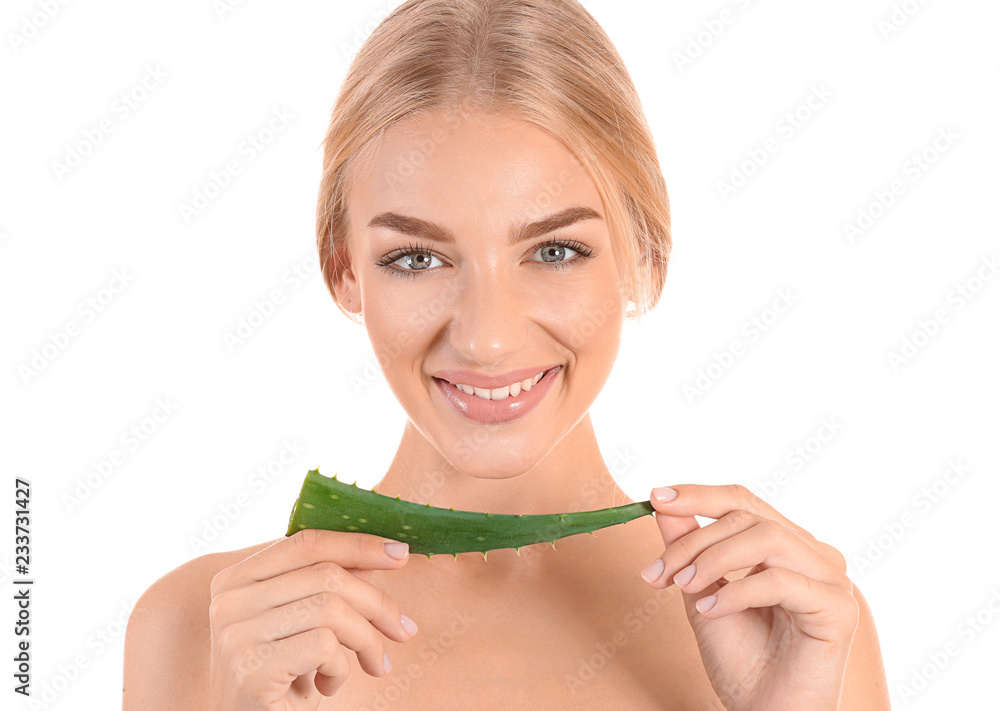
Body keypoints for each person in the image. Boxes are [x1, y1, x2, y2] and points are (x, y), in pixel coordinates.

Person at [123, 0, 890, 708]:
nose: (487, 337)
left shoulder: (791, 624)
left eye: (555, 250)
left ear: (645, 255)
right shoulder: (204, 629)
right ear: (343, 269)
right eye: (417, 258)